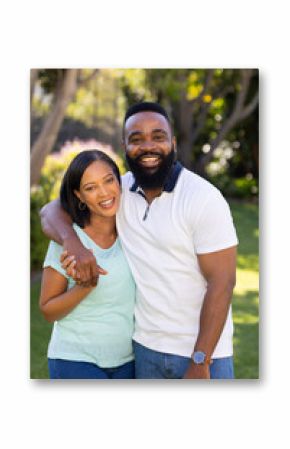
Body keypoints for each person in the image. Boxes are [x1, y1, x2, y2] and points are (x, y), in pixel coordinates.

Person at [40, 102, 238, 379]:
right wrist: (74, 244)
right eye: (136, 139)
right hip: (145, 350)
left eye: (158, 137)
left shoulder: (203, 198)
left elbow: (223, 282)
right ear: (124, 146)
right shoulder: (120, 191)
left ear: (173, 142)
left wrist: (201, 359)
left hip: (202, 353)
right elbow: (51, 210)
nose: (148, 146)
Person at [39, 150, 135, 379]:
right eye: (90, 188)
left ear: (118, 180)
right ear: (79, 196)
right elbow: (48, 310)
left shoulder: (133, 232)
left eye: (109, 180)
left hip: (128, 361)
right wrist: (85, 286)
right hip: (75, 360)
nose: (104, 193)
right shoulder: (67, 242)